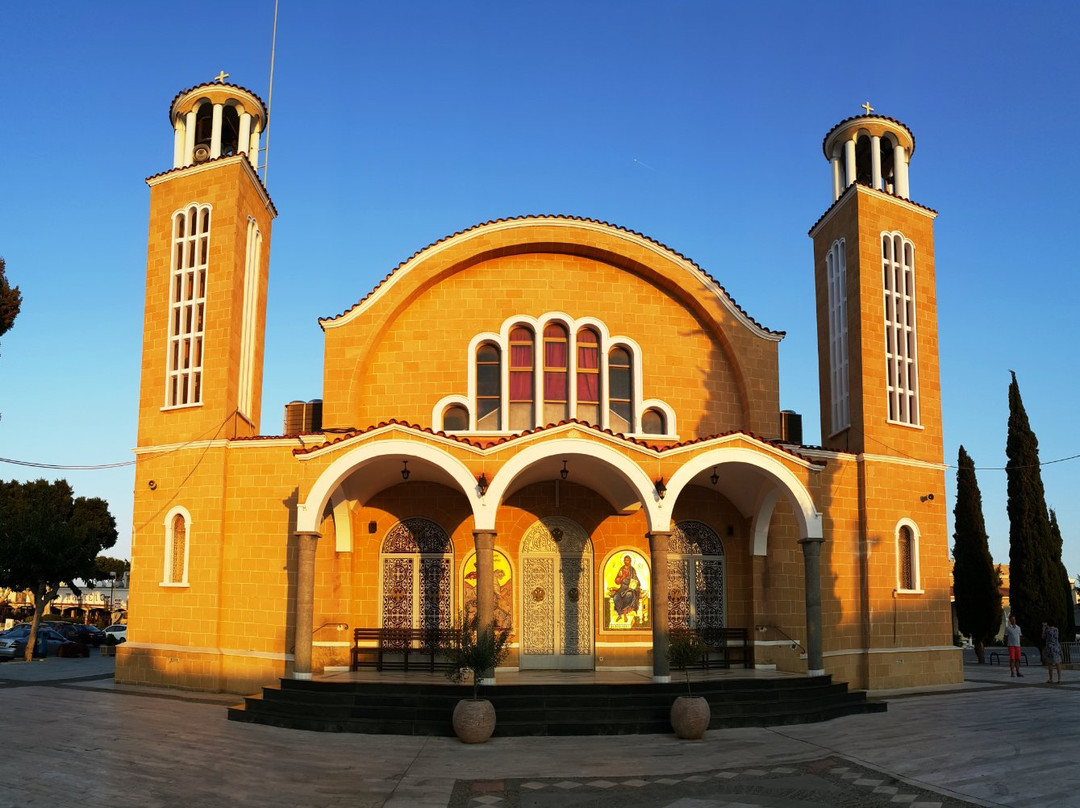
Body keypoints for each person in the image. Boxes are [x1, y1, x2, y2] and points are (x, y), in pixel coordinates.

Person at [1042, 620, 1062, 684]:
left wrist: (1044, 628)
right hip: (1056, 648)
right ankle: (1059, 679)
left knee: (1050, 664)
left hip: (1050, 649)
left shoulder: (1047, 630)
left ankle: (1050, 679)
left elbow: (1043, 637)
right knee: (1058, 663)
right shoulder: (1056, 629)